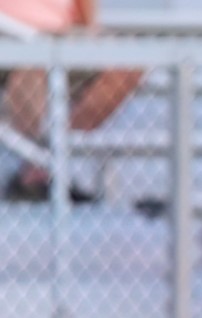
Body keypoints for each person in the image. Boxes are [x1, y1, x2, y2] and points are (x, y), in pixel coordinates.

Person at [0, 0, 142, 202]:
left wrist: (89, 37)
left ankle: (56, 157)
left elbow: (86, 14)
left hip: (60, 38)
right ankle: (35, 170)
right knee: (35, 60)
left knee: (128, 63)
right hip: (13, 38)